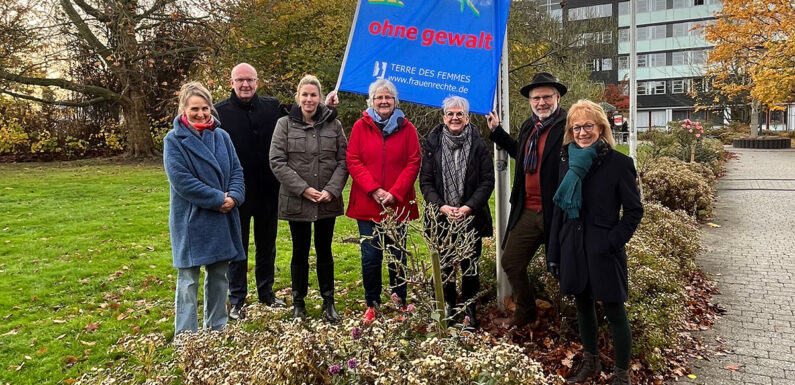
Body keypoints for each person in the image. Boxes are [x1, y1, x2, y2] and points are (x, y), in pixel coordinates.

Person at [546, 100, 643, 385]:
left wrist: (612, 242)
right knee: (583, 306)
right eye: (576, 127)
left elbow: (634, 211)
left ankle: (622, 375)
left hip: (604, 250)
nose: (582, 132)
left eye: (588, 126)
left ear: (601, 128)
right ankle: (591, 362)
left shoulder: (619, 164)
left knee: (614, 311)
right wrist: (554, 252)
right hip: (572, 247)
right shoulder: (566, 161)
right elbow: (558, 211)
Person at [163, 82, 245, 335]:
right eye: (195, 108)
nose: (201, 113)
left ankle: (217, 328)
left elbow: (236, 171)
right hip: (191, 220)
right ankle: (186, 337)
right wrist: (218, 199)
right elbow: (182, 181)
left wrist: (235, 196)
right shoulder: (174, 140)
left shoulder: (222, 137)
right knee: (188, 281)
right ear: (183, 109)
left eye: (205, 108)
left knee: (219, 277)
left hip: (222, 218)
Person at [487, 72, 567, 327]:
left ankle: (572, 322)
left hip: (558, 212)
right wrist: (497, 132)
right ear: (530, 101)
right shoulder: (528, 126)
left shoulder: (567, 126)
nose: (541, 102)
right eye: (536, 98)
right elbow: (520, 154)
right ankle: (526, 312)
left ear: (557, 98)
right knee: (511, 261)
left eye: (546, 97)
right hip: (528, 210)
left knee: (566, 269)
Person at [269, 75, 348, 322]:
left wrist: (332, 190)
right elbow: (277, 161)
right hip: (297, 200)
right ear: (298, 97)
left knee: (325, 250)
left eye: (313, 95)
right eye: (305, 95)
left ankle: (328, 301)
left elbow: (344, 161)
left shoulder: (334, 125)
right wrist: (303, 189)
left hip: (326, 200)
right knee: (299, 250)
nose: (309, 99)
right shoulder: (284, 124)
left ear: (321, 97)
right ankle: (299, 303)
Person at [215, 63, 286, 320]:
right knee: (238, 248)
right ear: (231, 82)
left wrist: (329, 106)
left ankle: (266, 293)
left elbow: (304, 114)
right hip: (237, 191)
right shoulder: (219, 112)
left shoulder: (273, 107)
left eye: (250, 80)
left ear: (258, 82)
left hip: (269, 189)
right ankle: (237, 299)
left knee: (267, 245)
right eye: (240, 80)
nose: (245, 85)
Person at [346, 79, 421, 322]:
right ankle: (372, 303)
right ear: (371, 101)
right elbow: (353, 159)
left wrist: (395, 193)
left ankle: (400, 301)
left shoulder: (407, 128)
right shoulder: (360, 126)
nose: (384, 101)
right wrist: (375, 190)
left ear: (395, 101)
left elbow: (413, 161)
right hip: (368, 204)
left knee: (397, 256)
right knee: (370, 257)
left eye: (388, 97)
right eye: (379, 97)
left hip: (397, 205)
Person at [419, 96, 494, 328]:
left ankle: (470, 308)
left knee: (470, 265)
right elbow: (426, 182)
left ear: (467, 118)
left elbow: (487, 182)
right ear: (444, 118)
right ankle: (450, 305)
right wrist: (441, 206)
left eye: (459, 114)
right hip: (441, 217)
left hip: (471, 217)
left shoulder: (479, 145)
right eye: (450, 114)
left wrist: (468, 207)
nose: (454, 118)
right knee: (446, 265)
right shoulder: (433, 144)